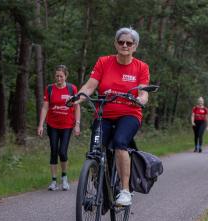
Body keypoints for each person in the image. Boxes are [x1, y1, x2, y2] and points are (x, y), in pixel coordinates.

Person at [71, 27, 150, 206]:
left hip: (129, 114)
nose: (124, 45)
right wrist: (79, 97)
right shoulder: (103, 62)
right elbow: (90, 86)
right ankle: (100, 188)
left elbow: (144, 93)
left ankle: (124, 191)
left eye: (129, 43)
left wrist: (141, 99)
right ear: (115, 43)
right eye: (121, 42)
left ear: (135, 46)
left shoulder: (141, 67)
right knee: (95, 150)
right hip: (104, 113)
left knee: (120, 143)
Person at [37, 65, 81, 191]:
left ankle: (65, 178)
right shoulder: (50, 89)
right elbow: (45, 107)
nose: (59, 78)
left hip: (67, 125)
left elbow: (77, 107)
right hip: (52, 125)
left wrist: (77, 124)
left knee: (62, 151)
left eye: (61, 76)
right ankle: (53, 181)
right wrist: (40, 125)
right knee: (54, 151)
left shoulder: (72, 89)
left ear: (66, 76)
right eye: (57, 76)